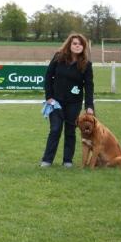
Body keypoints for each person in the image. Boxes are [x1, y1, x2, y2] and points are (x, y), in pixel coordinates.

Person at [40, 33, 94, 168]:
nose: (77, 46)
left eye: (80, 44)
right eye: (74, 43)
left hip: (74, 103)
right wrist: (49, 97)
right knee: (55, 129)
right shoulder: (58, 58)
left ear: (83, 47)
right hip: (55, 102)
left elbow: (89, 85)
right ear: (69, 45)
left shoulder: (86, 64)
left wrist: (89, 105)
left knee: (70, 131)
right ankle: (47, 160)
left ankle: (67, 161)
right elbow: (48, 77)